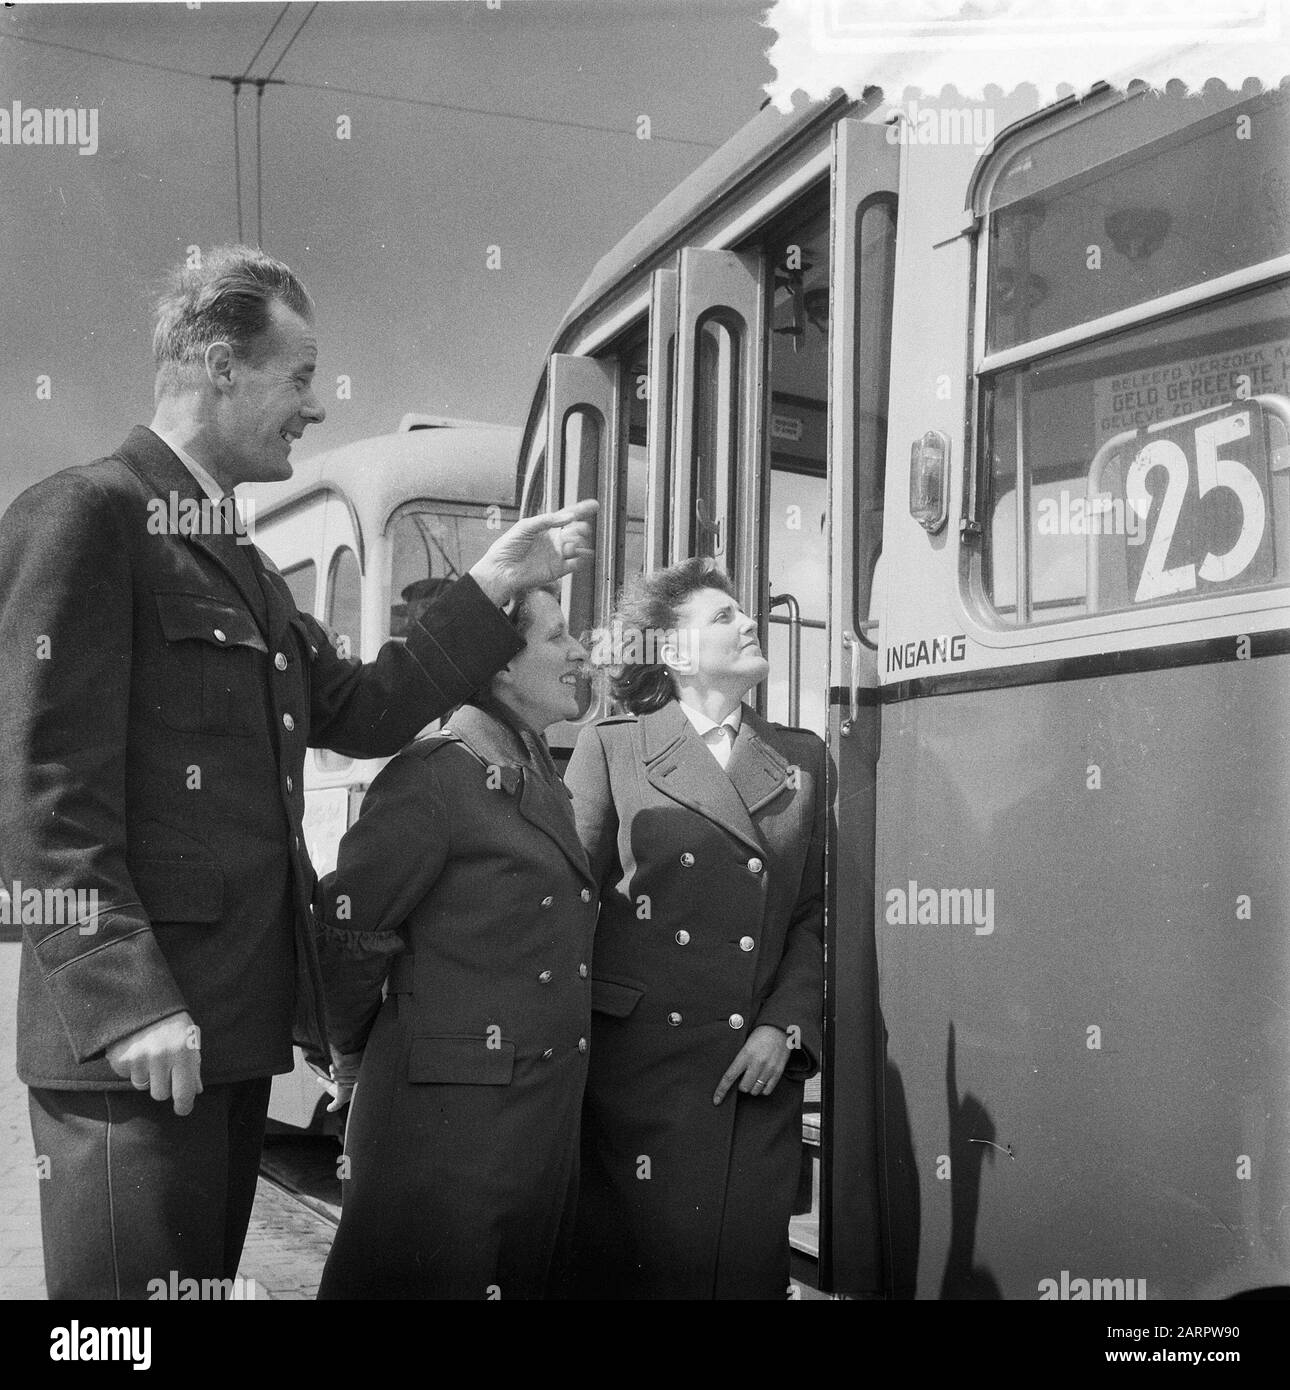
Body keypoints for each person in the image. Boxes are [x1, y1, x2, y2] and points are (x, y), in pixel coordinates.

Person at [0, 244, 597, 1301]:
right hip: (135, 1047)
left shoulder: (246, 573)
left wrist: (491, 581)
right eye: (299, 375)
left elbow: (368, 709)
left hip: (224, 1034)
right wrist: (125, 997)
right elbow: (37, 783)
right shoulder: (91, 515)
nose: (314, 407)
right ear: (218, 365)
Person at [315, 586, 595, 1300]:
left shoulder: (528, 763)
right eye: (557, 637)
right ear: (501, 667)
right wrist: (350, 1055)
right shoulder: (439, 771)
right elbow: (348, 927)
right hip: (445, 1132)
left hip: (515, 1121)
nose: (579, 652)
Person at [564, 558, 826, 1300]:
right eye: (724, 616)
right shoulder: (613, 748)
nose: (750, 623)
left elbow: (812, 914)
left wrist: (784, 1026)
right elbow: (566, 899)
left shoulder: (802, 760)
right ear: (674, 654)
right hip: (636, 1076)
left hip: (754, 1072)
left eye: (746, 613)